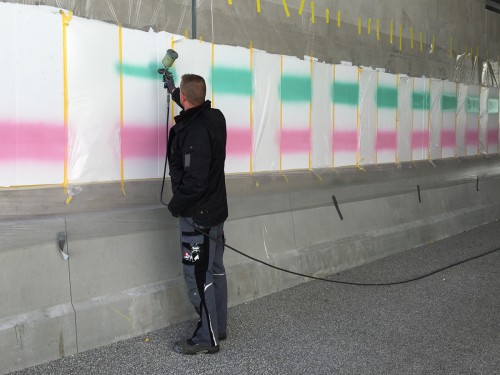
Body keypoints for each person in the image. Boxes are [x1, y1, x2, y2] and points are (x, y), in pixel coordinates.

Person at [164, 73, 228, 354]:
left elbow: (194, 181)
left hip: (198, 218)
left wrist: (175, 205)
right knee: (215, 270)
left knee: (197, 276)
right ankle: (219, 326)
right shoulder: (215, 117)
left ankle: (206, 338)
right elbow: (194, 105)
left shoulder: (193, 133)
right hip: (217, 212)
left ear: (187, 99)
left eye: (180, 96)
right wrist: (173, 90)